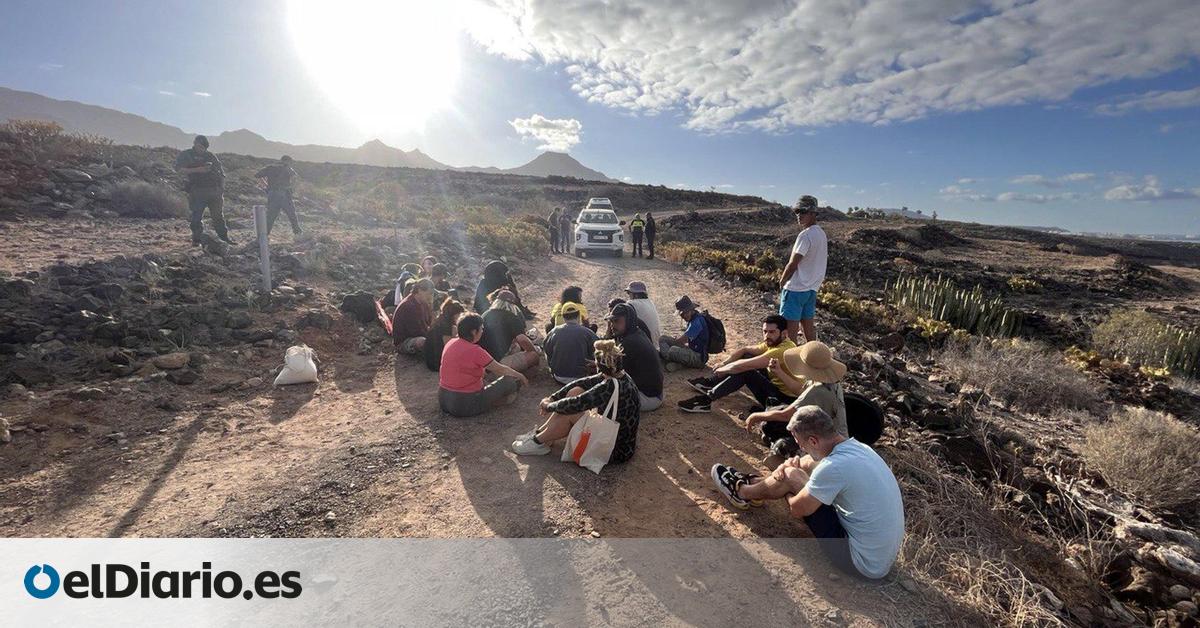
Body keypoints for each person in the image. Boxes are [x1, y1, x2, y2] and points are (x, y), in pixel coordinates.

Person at [710, 406, 905, 580]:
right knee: (800, 469)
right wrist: (791, 469)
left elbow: (797, 509)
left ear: (813, 440)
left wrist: (790, 482)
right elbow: (812, 463)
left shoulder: (834, 467)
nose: (800, 449)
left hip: (858, 562)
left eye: (800, 444)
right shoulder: (857, 448)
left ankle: (742, 492)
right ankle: (758, 484)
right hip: (878, 559)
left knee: (792, 476)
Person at [511, 340, 641, 463]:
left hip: (615, 450)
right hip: (618, 440)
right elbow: (582, 383)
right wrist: (553, 398)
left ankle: (538, 441)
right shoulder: (620, 376)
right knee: (575, 391)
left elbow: (576, 403)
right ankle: (542, 436)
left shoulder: (609, 386)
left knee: (569, 412)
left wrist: (549, 406)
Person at [745, 341, 848, 461]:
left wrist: (755, 416)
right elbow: (800, 390)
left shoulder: (818, 390)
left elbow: (785, 415)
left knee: (780, 442)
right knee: (773, 412)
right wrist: (779, 371)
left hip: (828, 448)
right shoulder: (830, 382)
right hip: (826, 433)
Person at [678, 314, 797, 413]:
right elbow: (745, 350)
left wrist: (724, 369)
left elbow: (745, 365)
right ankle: (710, 383)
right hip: (775, 389)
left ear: (784, 333)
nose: (767, 336)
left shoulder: (783, 350)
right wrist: (725, 363)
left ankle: (706, 400)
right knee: (747, 356)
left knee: (746, 371)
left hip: (784, 401)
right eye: (765, 331)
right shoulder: (775, 342)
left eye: (772, 332)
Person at [439, 314, 529, 417]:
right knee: (509, 381)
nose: (482, 331)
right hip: (465, 404)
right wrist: (520, 375)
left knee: (486, 379)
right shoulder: (475, 351)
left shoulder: (450, 343)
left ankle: (495, 400)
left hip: (444, 399)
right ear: (474, 332)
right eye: (481, 329)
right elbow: (500, 369)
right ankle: (499, 401)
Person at [779, 195, 828, 344]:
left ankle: (791, 359)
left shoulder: (805, 235)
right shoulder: (821, 234)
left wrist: (782, 281)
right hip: (811, 289)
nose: (799, 215)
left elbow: (793, 264)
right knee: (809, 331)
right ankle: (814, 355)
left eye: (803, 212)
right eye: (797, 212)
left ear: (813, 213)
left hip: (796, 289)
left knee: (789, 336)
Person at [174, 135, 231, 245]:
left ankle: (224, 238)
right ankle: (197, 239)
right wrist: (198, 170)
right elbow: (179, 169)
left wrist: (221, 188)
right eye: (199, 145)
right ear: (195, 143)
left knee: (218, 216)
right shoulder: (187, 155)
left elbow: (221, 173)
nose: (200, 149)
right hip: (197, 190)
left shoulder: (210, 156)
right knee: (196, 216)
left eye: (203, 147)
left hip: (215, 190)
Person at [607, 303, 664, 410]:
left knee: (605, 391)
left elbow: (612, 372)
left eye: (617, 321)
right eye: (611, 321)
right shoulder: (637, 333)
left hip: (648, 399)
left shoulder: (630, 342)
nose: (612, 325)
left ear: (629, 321)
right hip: (656, 395)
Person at [480, 289, 540, 372]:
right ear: (512, 305)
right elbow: (523, 340)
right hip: (497, 363)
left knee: (515, 346)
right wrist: (534, 350)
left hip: (483, 360)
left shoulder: (485, 314)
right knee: (533, 356)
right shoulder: (512, 317)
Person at [544, 302, 598, 384]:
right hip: (582, 377)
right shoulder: (587, 332)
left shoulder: (554, 331)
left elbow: (547, 350)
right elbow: (599, 351)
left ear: (563, 317)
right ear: (578, 315)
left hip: (559, 376)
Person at [255, 155, 301, 236]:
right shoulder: (287, 168)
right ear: (287, 161)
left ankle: (264, 235)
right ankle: (298, 233)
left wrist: (265, 185)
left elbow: (257, 176)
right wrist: (292, 188)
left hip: (272, 193)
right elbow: (295, 178)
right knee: (291, 214)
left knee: (270, 216)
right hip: (284, 193)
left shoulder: (270, 167)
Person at [659, 295, 709, 371]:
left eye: (686, 312)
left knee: (673, 350)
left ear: (691, 309)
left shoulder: (697, 322)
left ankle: (670, 361)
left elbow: (681, 341)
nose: (684, 316)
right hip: (692, 351)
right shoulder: (694, 318)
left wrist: (674, 341)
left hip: (698, 358)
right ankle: (678, 363)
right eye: (682, 314)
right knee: (663, 339)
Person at [392, 279, 435, 355]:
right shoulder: (408, 306)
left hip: (418, 333)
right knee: (422, 341)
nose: (430, 296)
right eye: (429, 293)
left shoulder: (423, 303)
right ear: (419, 290)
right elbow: (416, 331)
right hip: (404, 341)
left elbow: (429, 322)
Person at [423, 299, 465, 371]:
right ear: (454, 315)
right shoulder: (446, 326)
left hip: (432, 360)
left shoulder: (440, 320)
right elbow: (448, 347)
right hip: (437, 363)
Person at [623, 281, 661, 345]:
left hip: (645, 344)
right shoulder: (650, 302)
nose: (628, 295)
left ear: (636, 295)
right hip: (655, 344)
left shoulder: (631, 303)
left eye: (629, 293)